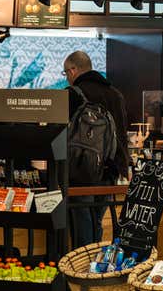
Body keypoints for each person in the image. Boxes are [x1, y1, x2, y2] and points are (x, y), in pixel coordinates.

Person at [63, 51, 130, 248]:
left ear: (74, 70)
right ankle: (94, 265)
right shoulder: (115, 94)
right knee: (96, 219)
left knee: (82, 220)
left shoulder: (74, 94)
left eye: (66, 72)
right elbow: (122, 134)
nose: (67, 77)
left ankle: (81, 268)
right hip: (110, 169)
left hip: (81, 168)